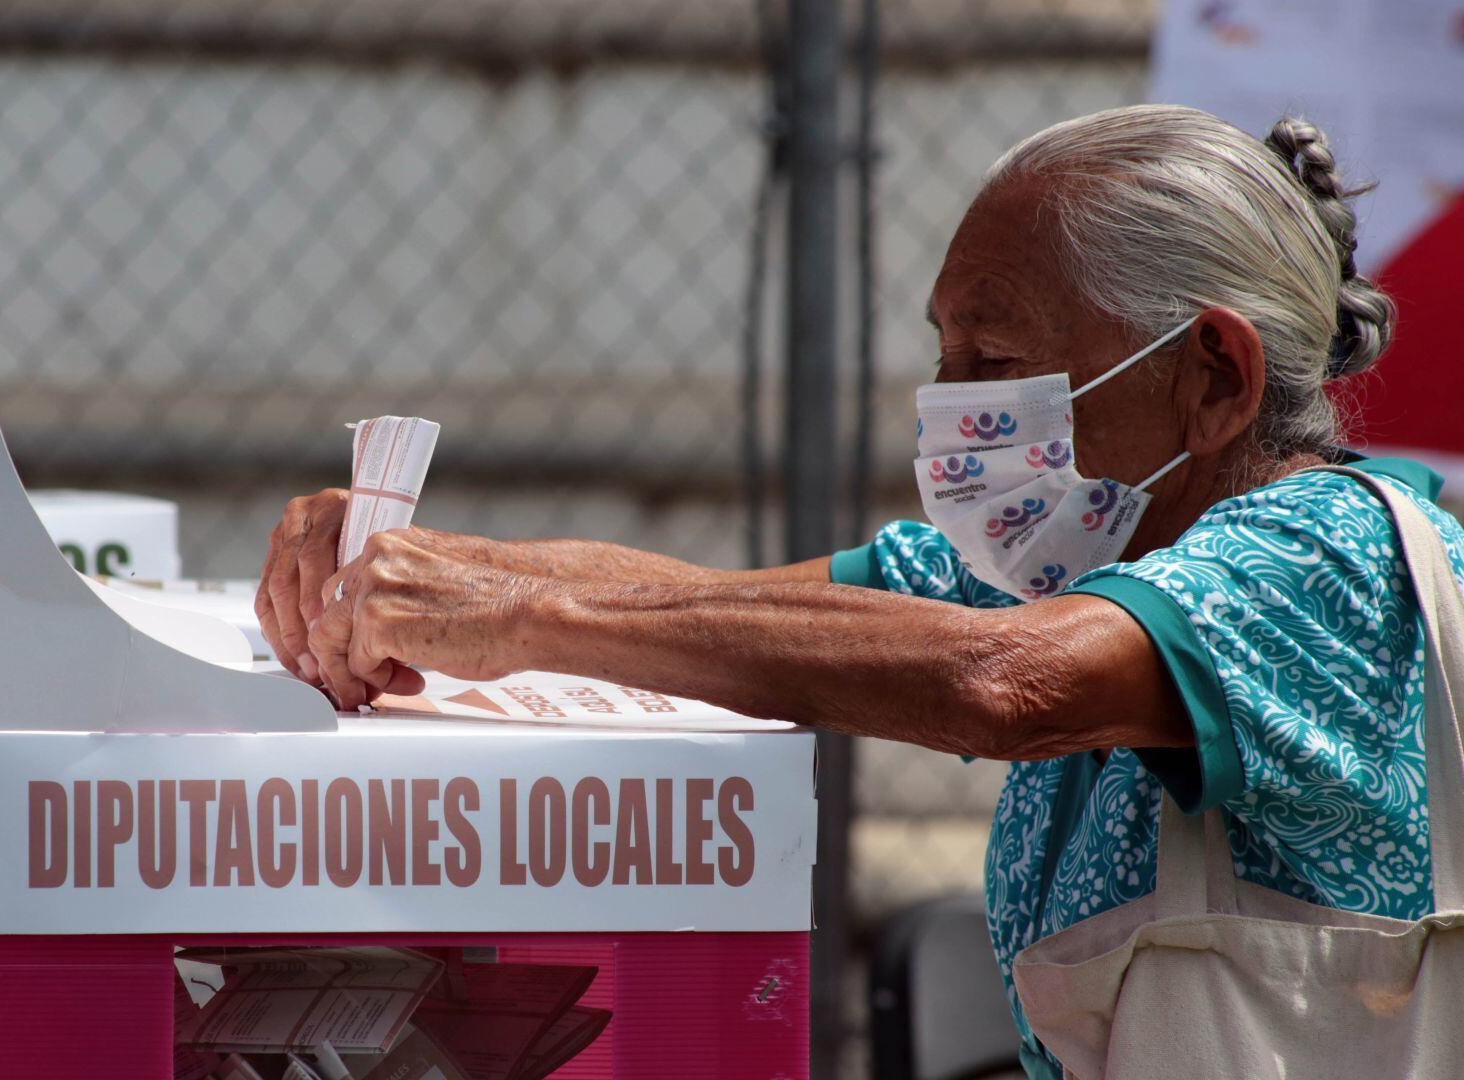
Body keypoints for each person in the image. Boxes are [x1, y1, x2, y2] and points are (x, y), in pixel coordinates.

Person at [254, 104, 1464, 1078]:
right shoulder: (1089, 561)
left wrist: (522, 614)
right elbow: (724, 606)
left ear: (1214, 377)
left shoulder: (1331, 557)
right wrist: (434, 568)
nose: (952, 409)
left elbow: (1003, 684)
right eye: (946, 356)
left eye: (997, 360)